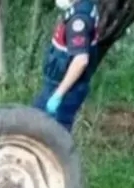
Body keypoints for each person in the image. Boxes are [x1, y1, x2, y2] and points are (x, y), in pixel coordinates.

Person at [34, 0, 100, 132]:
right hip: (56, 84)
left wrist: (58, 95)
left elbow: (80, 60)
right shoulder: (79, 8)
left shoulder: (79, 19)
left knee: (54, 138)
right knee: (34, 125)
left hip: (65, 88)